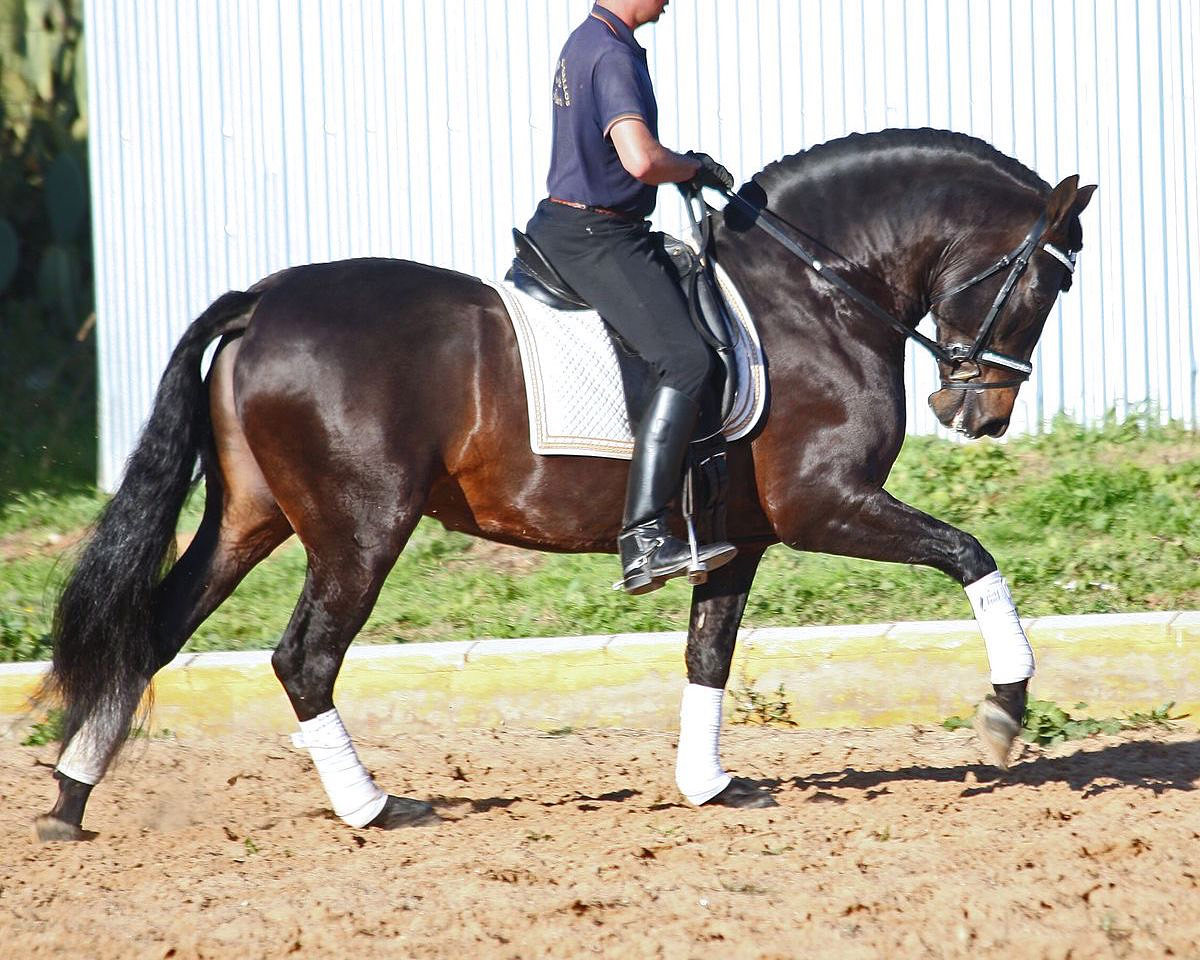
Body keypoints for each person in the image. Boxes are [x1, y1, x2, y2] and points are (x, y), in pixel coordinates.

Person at [525, 0, 738, 595]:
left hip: (581, 226)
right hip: (598, 237)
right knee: (687, 360)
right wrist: (691, 167)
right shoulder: (611, 53)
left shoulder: (587, 40)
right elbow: (641, 160)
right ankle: (644, 537)